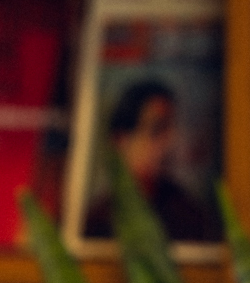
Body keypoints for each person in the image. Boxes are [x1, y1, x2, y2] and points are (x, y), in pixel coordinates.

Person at [83, 78, 219, 242]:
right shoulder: (96, 221)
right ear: (120, 140)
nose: (169, 143)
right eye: (156, 130)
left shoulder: (190, 217)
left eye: (170, 130)